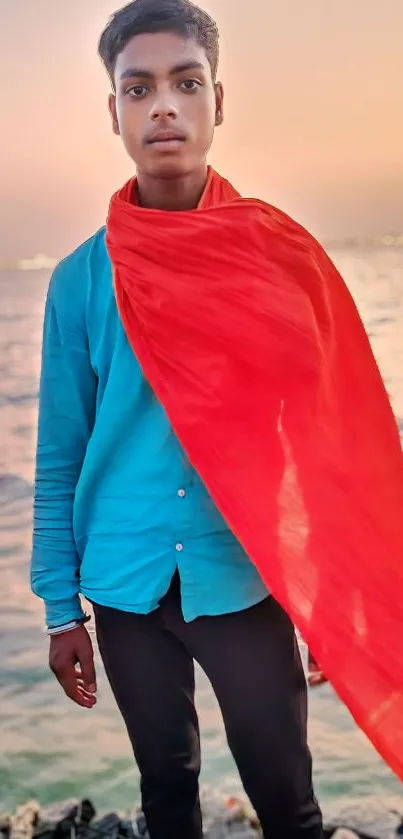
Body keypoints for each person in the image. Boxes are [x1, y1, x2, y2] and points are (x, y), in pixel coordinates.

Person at [31, 0, 403, 836]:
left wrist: (332, 591)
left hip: (240, 574)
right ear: (115, 111)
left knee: (287, 797)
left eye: (184, 82)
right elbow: (60, 454)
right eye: (139, 87)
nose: (163, 104)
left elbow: (335, 439)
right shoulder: (81, 281)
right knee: (166, 789)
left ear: (217, 101)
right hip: (124, 584)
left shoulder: (277, 260)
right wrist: (60, 607)